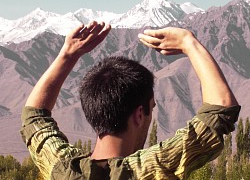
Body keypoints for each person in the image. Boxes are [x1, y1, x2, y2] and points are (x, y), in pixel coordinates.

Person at [21, 21, 240, 180]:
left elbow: (34, 119)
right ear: (138, 114)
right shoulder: (150, 170)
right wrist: (188, 42)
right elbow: (219, 113)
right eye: (151, 108)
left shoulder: (62, 170)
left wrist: (67, 55)